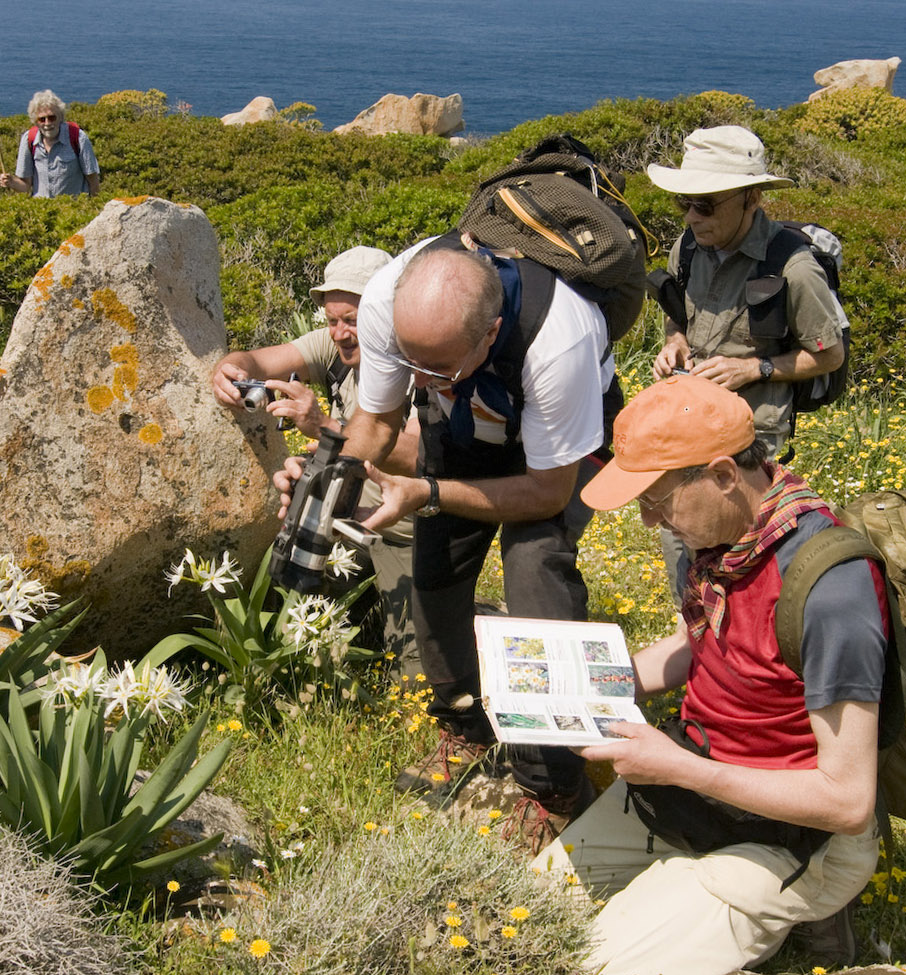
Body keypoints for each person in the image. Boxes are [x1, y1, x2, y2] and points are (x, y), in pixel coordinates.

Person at [526, 375, 886, 975]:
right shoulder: (734, 541)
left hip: (792, 834)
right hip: (695, 794)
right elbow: (708, 648)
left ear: (723, 475)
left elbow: (849, 800)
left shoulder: (832, 590)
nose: (648, 523)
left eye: (659, 502)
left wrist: (675, 768)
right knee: (524, 914)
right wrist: (603, 680)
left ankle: (812, 903)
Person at [275, 238, 620, 846]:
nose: (417, 379)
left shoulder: (559, 340)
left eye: (434, 369)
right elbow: (379, 420)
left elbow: (545, 492)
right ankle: (465, 727)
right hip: (466, 423)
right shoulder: (389, 304)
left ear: (490, 333)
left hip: (556, 450)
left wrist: (430, 492)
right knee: (434, 575)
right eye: (410, 363)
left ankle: (557, 788)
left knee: (538, 579)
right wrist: (331, 479)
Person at [645, 125, 848, 595]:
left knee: (734, 554)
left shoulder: (794, 269)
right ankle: (696, 632)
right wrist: (674, 343)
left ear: (752, 197)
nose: (693, 216)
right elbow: (679, 316)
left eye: (707, 204)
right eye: (686, 203)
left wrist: (752, 369)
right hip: (689, 416)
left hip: (752, 432)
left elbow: (829, 355)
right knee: (679, 531)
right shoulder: (689, 246)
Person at [209, 246, 422, 679]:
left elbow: (417, 455)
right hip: (343, 517)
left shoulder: (420, 359)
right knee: (288, 608)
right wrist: (229, 371)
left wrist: (324, 424)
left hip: (405, 527)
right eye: (332, 320)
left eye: (352, 321)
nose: (340, 334)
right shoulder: (333, 346)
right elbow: (260, 360)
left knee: (414, 673)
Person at [0, 90, 101, 197]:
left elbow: (93, 181)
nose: (47, 123)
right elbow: (25, 186)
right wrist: (11, 182)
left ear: (60, 117)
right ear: (35, 121)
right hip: (41, 210)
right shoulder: (29, 139)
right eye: (42, 119)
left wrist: (94, 207)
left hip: (73, 209)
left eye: (52, 118)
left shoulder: (78, 138)